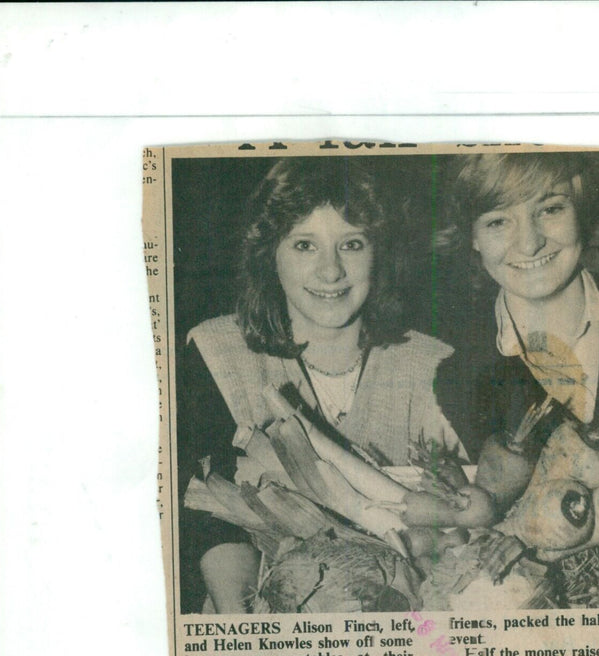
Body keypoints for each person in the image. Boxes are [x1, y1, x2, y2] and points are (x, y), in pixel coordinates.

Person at [177, 157, 461, 613]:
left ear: (380, 253)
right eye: (305, 246)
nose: (331, 272)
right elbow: (210, 520)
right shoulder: (217, 352)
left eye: (351, 244)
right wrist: (246, 631)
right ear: (270, 255)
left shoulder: (434, 364)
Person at [433, 152, 599, 604]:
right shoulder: (457, 373)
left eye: (550, 208)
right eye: (497, 221)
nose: (529, 244)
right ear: (472, 236)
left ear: (582, 211)